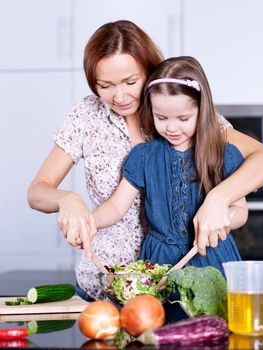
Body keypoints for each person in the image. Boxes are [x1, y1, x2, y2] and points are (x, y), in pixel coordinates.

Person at [27, 20, 263, 301]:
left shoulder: (190, 113)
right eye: (105, 85)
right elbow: (38, 191)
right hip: (107, 284)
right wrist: (68, 201)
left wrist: (219, 200)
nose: (120, 96)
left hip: (183, 277)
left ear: (150, 71)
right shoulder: (87, 116)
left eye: (131, 82)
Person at [93, 56, 246, 275]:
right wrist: (90, 222)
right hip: (160, 263)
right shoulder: (144, 156)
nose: (172, 128)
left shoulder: (224, 154)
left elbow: (241, 211)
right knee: (156, 311)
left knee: (214, 310)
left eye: (183, 118)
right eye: (161, 117)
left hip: (212, 258)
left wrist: (224, 217)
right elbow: (117, 206)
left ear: (202, 112)